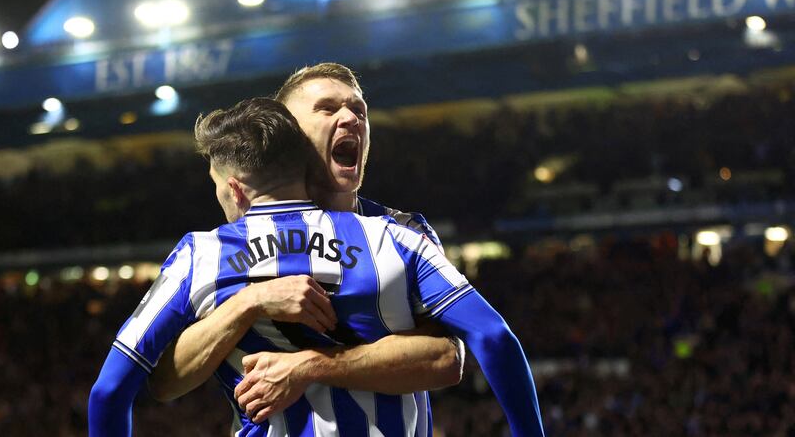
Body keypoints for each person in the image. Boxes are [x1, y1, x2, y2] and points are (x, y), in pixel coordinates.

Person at [88, 97, 545, 436]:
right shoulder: (394, 238)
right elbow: (494, 337)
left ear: (236, 189)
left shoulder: (201, 254)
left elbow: (112, 390)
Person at [147, 64, 462, 414]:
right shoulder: (227, 246)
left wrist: (310, 366)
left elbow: (447, 358)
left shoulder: (402, 230)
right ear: (290, 133)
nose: (352, 118)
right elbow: (164, 382)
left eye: (359, 110)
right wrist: (248, 301)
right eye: (328, 108)